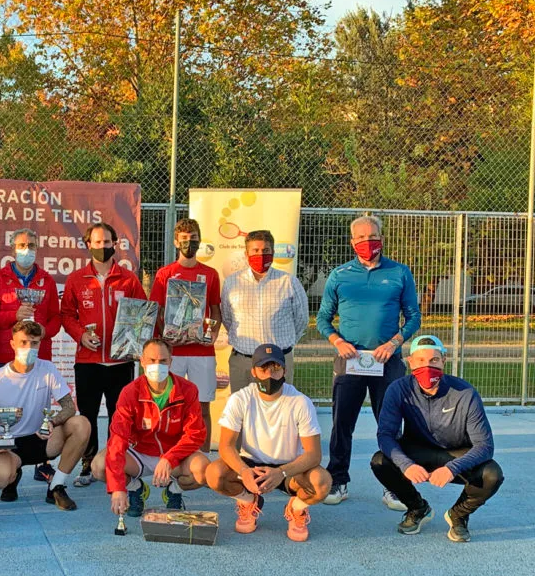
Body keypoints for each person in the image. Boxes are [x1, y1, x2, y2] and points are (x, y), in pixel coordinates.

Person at [317, 215, 421, 507]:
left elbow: (414, 317)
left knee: (389, 424)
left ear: (381, 238)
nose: (367, 242)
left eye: (372, 236)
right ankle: (337, 480)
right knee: (341, 423)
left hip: (387, 361)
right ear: (352, 242)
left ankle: (393, 484)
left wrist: (394, 343)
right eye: (361, 238)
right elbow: (323, 318)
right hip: (349, 361)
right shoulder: (339, 275)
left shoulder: (399, 273)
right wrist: (338, 341)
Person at [371, 336, 503, 542]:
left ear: (444, 361)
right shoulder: (398, 389)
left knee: (492, 475)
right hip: (417, 451)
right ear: (410, 362)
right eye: (421, 360)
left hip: (457, 453)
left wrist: (453, 468)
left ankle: (458, 515)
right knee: (380, 461)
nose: (427, 366)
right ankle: (417, 508)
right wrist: (406, 465)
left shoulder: (465, 393)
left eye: (434, 360)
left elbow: (485, 445)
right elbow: (386, 435)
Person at [206, 344, 331, 542]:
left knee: (322, 482)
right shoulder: (240, 399)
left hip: (289, 469)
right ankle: (249, 501)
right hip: (252, 466)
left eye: (276, 369)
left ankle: (296, 508)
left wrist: (281, 472)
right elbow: (226, 446)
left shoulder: (300, 402)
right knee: (214, 473)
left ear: (285, 370)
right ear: (254, 371)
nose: (270, 375)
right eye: (264, 369)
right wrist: (244, 471)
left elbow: (314, 454)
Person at [61, 221, 147, 487]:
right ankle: (87, 465)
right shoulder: (76, 279)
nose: (102, 247)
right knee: (86, 416)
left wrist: (137, 344)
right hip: (88, 361)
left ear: (115, 245)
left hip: (120, 362)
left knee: (118, 416)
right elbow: (67, 315)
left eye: (106, 242)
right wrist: (80, 335)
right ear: (89, 245)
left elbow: (141, 313)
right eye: (97, 242)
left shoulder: (128, 279)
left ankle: (114, 462)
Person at [0, 321, 90, 510]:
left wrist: (52, 422)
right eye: (23, 342)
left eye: (34, 343)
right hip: (10, 446)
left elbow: (69, 407)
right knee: (0, 479)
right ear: (12, 343)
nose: (29, 348)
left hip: (43, 439)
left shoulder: (47, 369)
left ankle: (57, 485)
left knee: (82, 424)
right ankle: (12, 477)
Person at [92, 338, 210, 517]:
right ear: (142, 361)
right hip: (139, 453)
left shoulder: (188, 389)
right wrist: (118, 488)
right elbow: (118, 438)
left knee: (203, 470)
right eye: (152, 360)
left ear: (171, 361)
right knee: (99, 466)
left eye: (163, 361)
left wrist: (170, 458)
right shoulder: (130, 392)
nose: (157, 365)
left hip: (174, 454)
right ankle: (136, 488)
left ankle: (174, 491)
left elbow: (195, 434)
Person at [0, 228, 61, 484]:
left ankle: (43, 463)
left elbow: (56, 319)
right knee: (2, 414)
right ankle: (1, 458)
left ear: (37, 247)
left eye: (31, 244)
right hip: (7, 357)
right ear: (13, 248)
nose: (26, 249)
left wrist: (41, 331)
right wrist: (13, 317)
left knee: (41, 413)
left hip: (38, 359)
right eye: (21, 245)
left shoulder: (47, 281)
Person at [149, 218, 221, 452]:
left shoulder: (210, 274)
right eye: (184, 239)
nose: (189, 243)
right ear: (176, 241)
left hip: (202, 351)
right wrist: (165, 337)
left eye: (193, 238)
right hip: (173, 351)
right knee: (170, 404)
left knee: (203, 406)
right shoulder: (165, 274)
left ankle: (204, 455)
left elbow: (216, 309)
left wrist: (212, 333)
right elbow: (156, 311)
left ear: (200, 240)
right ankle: (169, 452)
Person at [221, 229, 309, 393]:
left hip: (279, 361)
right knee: (244, 413)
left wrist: (284, 343)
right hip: (243, 361)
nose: (260, 255)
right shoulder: (232, 283)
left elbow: (302, 319)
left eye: (265, 251)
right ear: (246, 254)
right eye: (255, 250)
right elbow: (227, 318)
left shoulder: (289, 282)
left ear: (273, 252)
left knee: (279, 412)